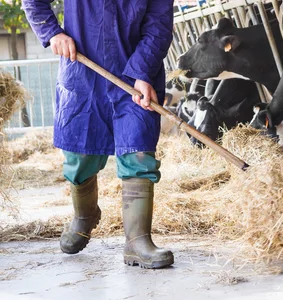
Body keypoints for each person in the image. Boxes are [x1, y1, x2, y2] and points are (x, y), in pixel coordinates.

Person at [23, 1, 175, 268]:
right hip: (83, 72)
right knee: (80, 155)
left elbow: (158, 25)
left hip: (134, 75)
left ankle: (137, 242)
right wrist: (52, 32)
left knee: (138, 151)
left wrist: (142, 71)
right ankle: (85, 216)